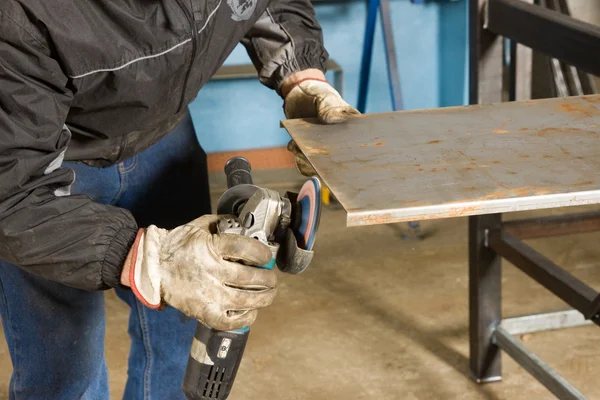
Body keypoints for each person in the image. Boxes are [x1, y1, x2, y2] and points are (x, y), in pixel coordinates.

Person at [0, 0, 358, 398]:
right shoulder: (18, 15)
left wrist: (302, 77)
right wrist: (155, 260)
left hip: (164, 135)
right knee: (63, 371)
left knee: (180, 335)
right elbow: (11, 194)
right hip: (45, 170)